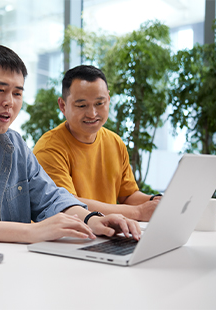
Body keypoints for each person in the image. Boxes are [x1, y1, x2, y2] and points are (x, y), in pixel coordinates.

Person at [0, 44, 141, 243]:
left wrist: (92, 219)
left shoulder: (14, 144)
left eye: (17, 93)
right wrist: (30, 232)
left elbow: (51, 198)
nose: (9, 102)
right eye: (0, 90)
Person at [33, 65, 161, 222]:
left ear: (108, 99)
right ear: (62, 106)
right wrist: (138, 212)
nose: (92, 113)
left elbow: (127, 195)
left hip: (107, 232)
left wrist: (157, 201)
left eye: (99, 103)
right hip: (68, 238)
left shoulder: (115, 142)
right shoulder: (49, 149)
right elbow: (69, 207)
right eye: (82, 105)